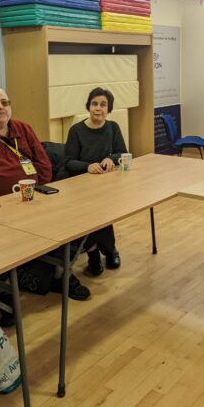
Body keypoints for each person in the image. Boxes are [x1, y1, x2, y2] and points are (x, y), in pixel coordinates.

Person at [0, 87, 90, 300]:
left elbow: (43, 163)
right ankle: (6, 288)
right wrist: (1, 206)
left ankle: (60, 273)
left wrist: (41, 190)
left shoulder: (23, 128)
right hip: (0, 208)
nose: (1, 107)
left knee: (74, 220)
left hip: (34, 198)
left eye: (5, 102)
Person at [63, 87, 128, 276]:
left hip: (106, 184)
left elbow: (122, 152)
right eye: (94, 104)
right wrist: (87, 166)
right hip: (80, 186)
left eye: (103, 104)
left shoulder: (113, 127)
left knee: (104, 214)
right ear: (88, 106)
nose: (98, 108)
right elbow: (68, 162)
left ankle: (108, 251)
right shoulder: (76, 130)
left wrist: (112, 159)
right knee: (92, 216)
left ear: (108, 109)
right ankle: (96, 255)